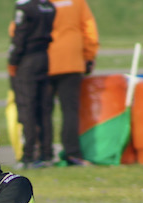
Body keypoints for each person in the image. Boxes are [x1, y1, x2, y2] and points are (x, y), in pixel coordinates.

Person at [46, 0, 99, 166]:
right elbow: (89, 27)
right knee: (70, 110)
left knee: (43, 111)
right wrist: (89, 55)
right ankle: (72, 153)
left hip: (44, 60)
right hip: (71, 60)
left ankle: (44, 154)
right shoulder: (77, 1)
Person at [8, 0, 56, 169]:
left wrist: (12, 60)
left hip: (27, 61)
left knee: (27, 107)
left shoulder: (25, 7)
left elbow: (19, 36)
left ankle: (28, 156)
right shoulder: (49, 6)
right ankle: (47, 153)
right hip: (44, 58)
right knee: (44, 109)